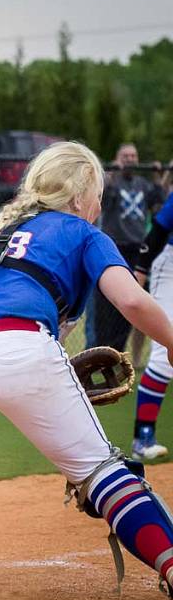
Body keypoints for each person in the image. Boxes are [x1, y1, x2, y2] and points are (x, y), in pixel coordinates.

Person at [0, 142, 173, 600]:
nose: (100, 206)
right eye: (99, 195)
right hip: (20, 345)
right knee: (102, 470)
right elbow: (132, 302)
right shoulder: (84, 233)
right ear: (82, 196)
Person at [92, 143, 165, 350]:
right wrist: (112, 173)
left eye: (133, 156)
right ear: (117, 158)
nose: (130, 159)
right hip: (114, 247)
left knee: (129, 305)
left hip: (136, 250)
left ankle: (119, 352)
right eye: (125, 156)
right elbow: (103, 200)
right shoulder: (113, 183)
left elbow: (159, 206)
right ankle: (102, 350)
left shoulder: (143, 184)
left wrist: (159, 177)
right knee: (106, 305)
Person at [125, 171, 173, 461]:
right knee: (163, 355)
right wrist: (139, 274)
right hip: (170, 269)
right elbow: (156, 232)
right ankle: (143, 437)